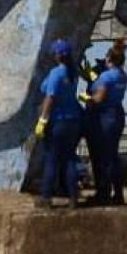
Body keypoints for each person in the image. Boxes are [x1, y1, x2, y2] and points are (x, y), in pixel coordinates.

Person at [33, 38, 83, 208]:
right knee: (69, 159)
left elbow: (50, 98)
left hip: (58, 122)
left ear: (58, 55)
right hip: (73, 121)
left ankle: (46, 197)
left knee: (52, 159)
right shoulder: (72, 72)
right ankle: (73, 197)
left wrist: (42, 120)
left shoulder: (57, 73)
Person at [87, 46, 127, 206]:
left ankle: (103, 193)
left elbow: (99, 97)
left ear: (109, 59)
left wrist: (87, 99)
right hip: (117, 113)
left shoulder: (106, 76)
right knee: (112, 155)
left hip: (104, 116)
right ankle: (118, 193)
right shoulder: (123, 76)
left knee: (103, 156)